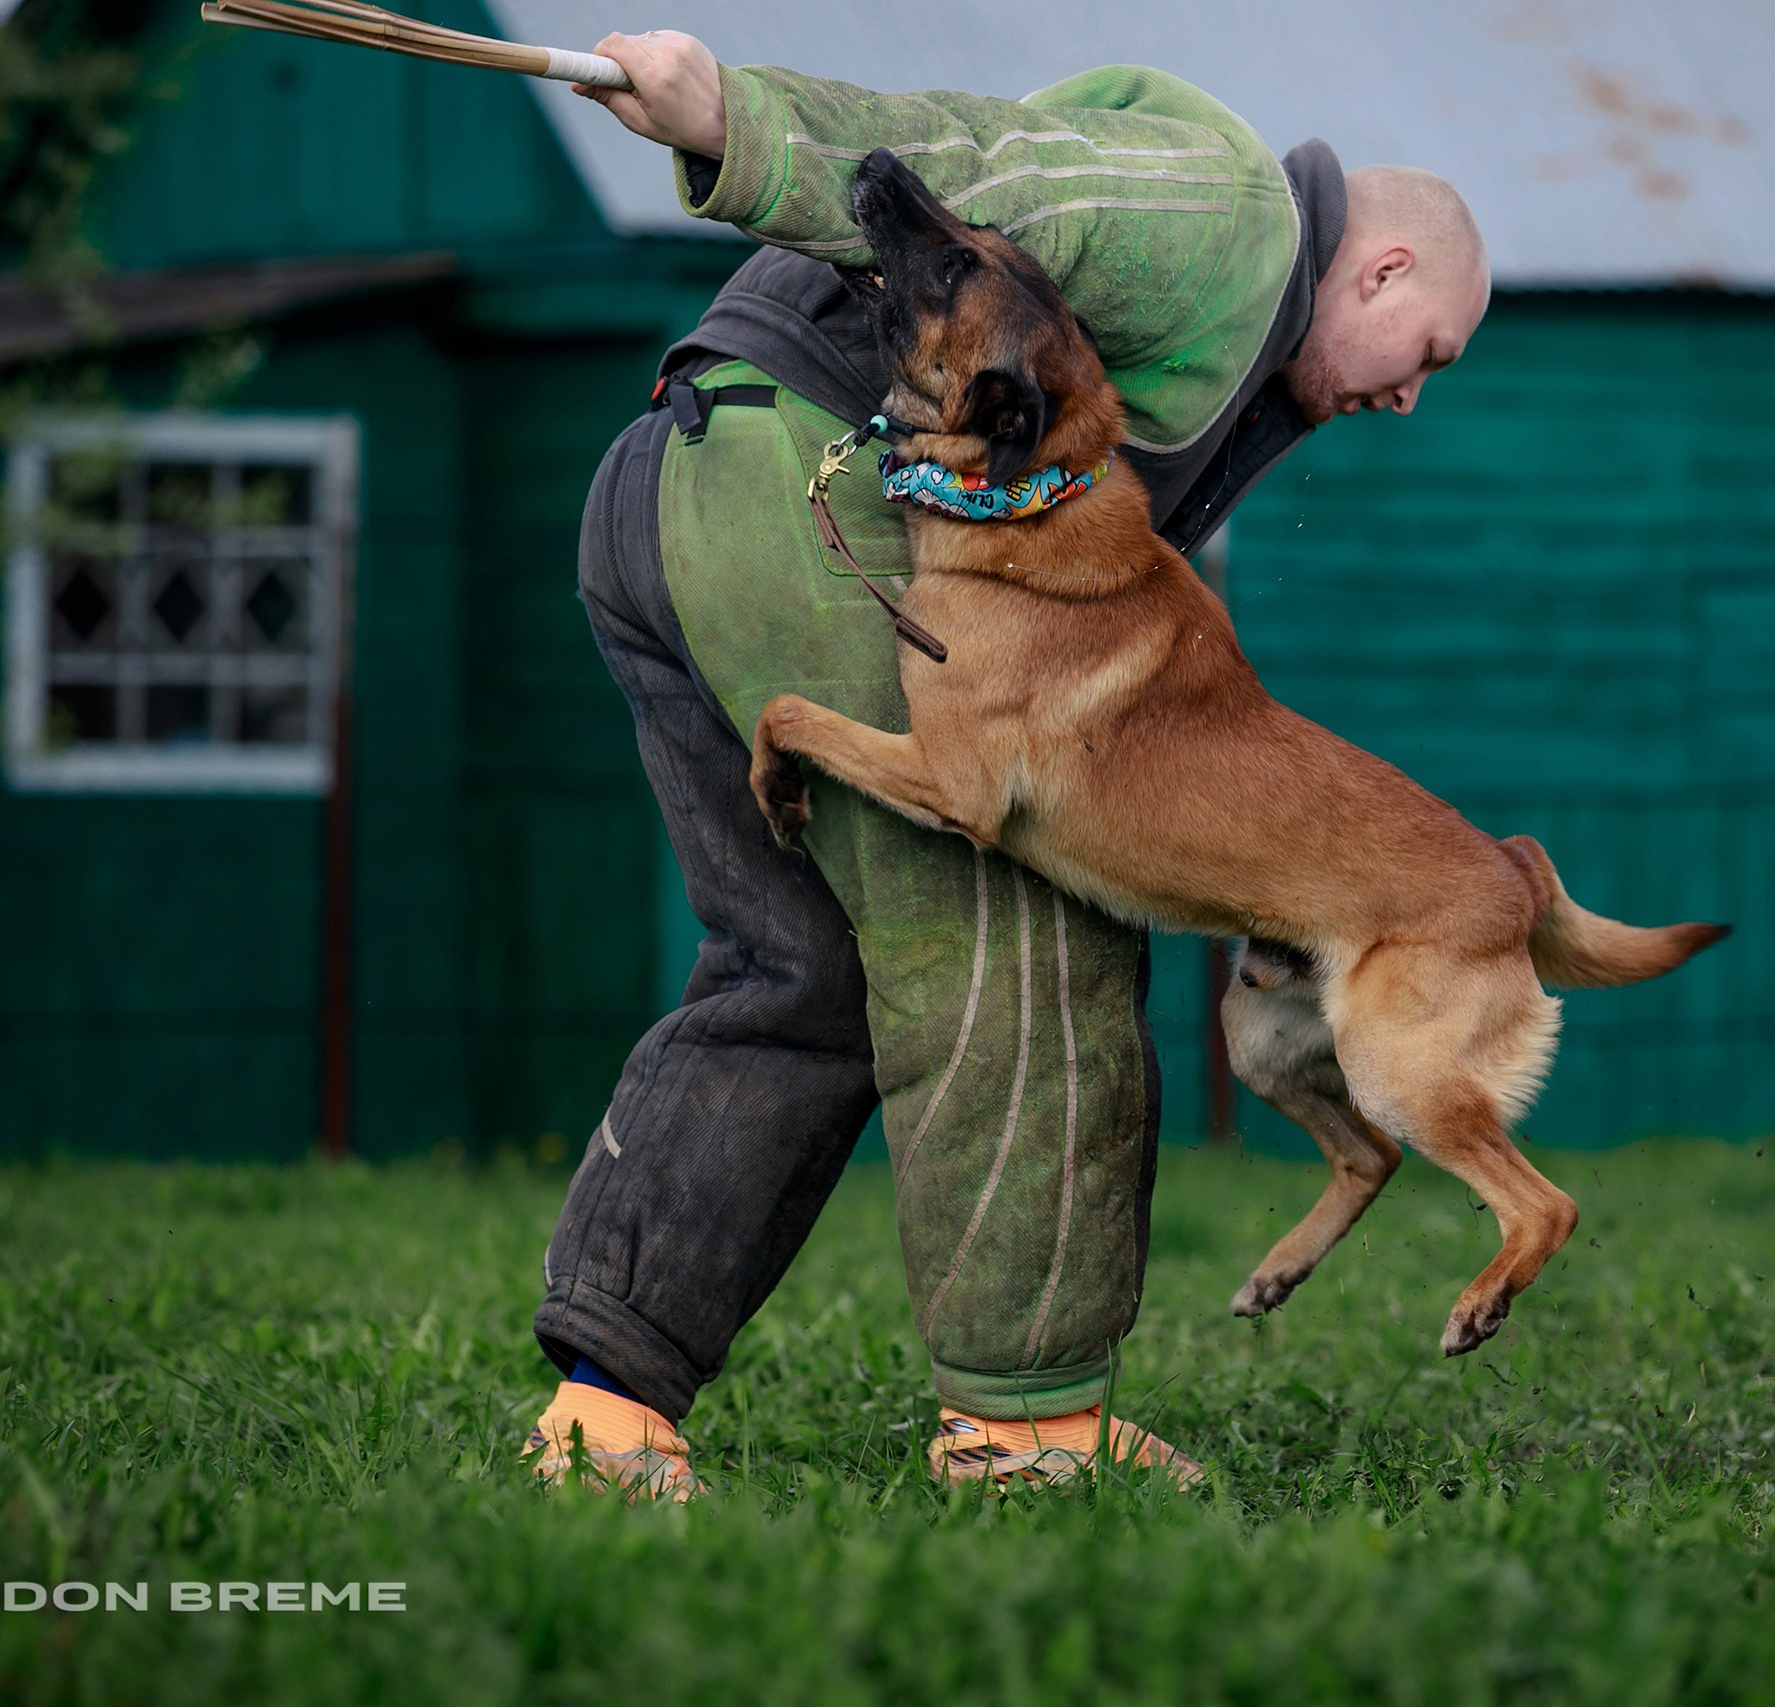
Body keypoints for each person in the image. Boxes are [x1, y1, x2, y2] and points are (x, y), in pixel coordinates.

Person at [523, 29, 1489, 1497]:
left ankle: (605, 1418)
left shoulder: (1227, 348)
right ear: (1382, 273)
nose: (1413, 397)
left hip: (677, 491)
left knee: (798, 974)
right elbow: (985, 166)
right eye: (1426, 355)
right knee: (1020, 923)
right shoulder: (1226, 217)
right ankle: (1027, 1433)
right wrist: (729, 119)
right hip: (818, 494)